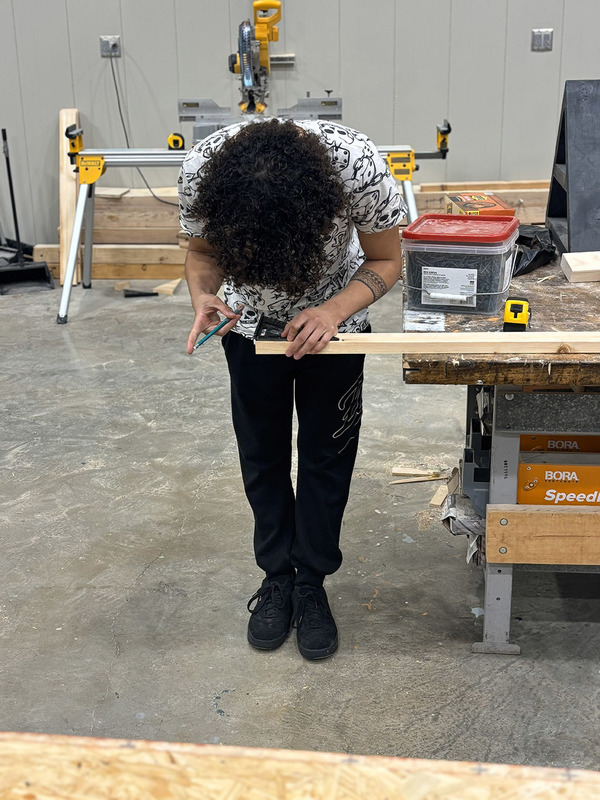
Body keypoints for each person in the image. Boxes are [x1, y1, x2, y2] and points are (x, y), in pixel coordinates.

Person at [178, 118, 405, 660]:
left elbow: (386, 259)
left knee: (328, 453)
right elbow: (204, 255)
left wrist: (331, 311)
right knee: (262, 453)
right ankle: (278, 576)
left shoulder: (359, 167)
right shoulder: (201, 172)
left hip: (336, 321)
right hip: (249, 325)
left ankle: (312, 583)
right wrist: (203, 296)